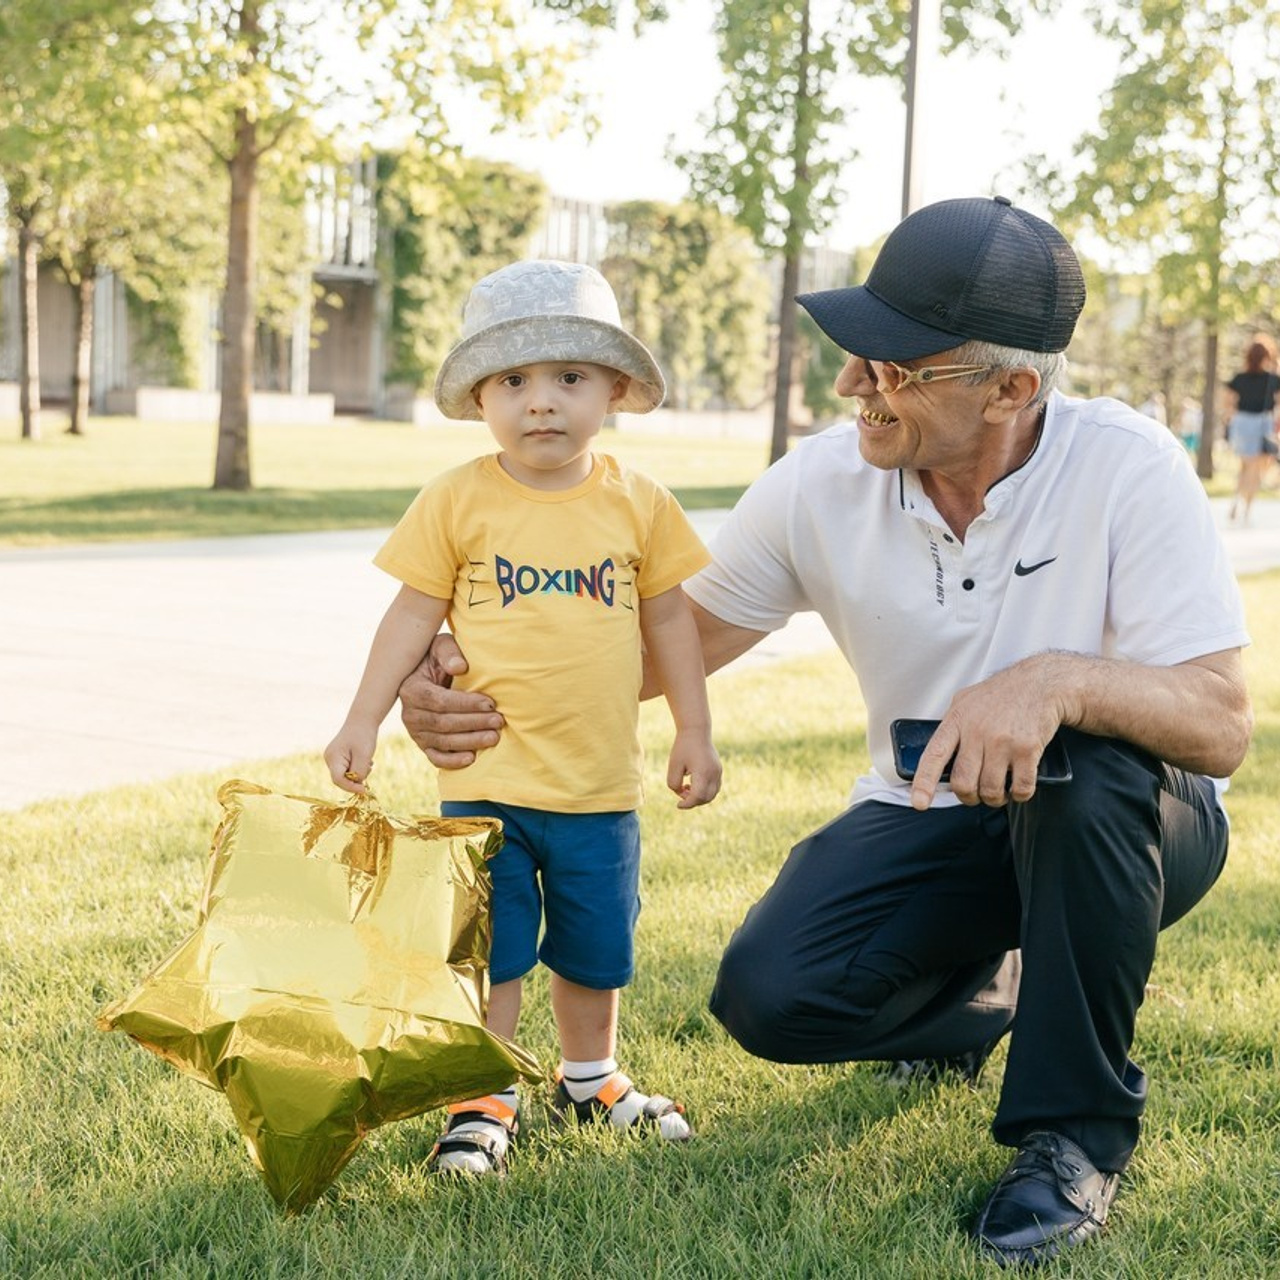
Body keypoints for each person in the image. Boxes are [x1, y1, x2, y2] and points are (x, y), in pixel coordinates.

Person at [398, 198, 1252, 1265]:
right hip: (931, 809)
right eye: (855, 353)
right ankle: (991, 995)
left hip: (1132, 827)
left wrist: (1057, 681)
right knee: (770, 995)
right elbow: (663, 642)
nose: (854, 383)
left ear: (1011, 388)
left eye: (895, 366)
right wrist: (460, 674)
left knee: (1084, 773)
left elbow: (1217, 724)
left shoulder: (1126, 467)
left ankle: (1069, 1135)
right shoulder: (821, 480)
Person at [325, 259, 722, 1176]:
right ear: (479, 396)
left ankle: (590, 1078)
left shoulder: (639, 502)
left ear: (615, 389)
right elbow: (410, 617)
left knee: (595, 947)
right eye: (514, 382)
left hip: (597, 785)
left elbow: (670, 622)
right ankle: (483, 1096)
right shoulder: (459, 498)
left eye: (569, 379)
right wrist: (362, 719)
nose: (541, 404)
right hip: (487, 784)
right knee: (494, 953)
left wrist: (694, 731)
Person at [1224, 335, 1280, 524]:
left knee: (1245, 467)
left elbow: (1228, 404)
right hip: (1262, 424)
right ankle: (1246, 510)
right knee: (1255, 471)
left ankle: (1235, 501)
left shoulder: (1239, 378)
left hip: (1242, 423)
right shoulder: (1273, 379)